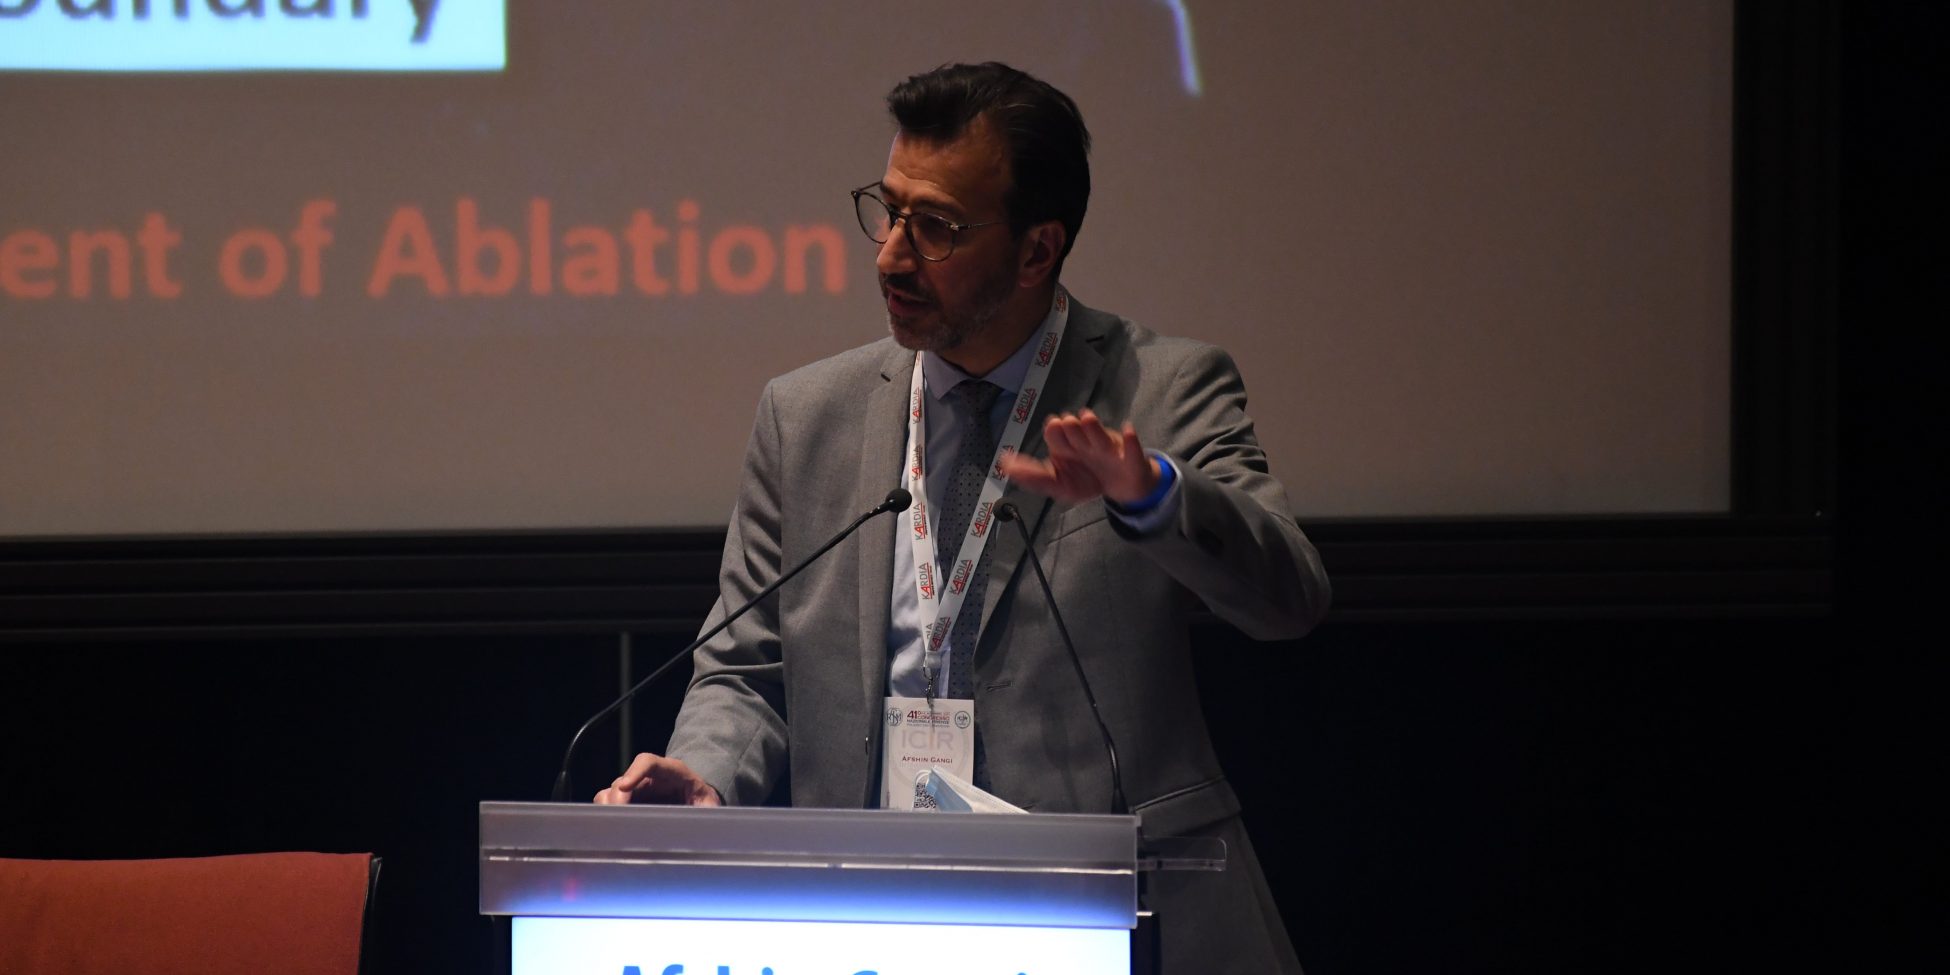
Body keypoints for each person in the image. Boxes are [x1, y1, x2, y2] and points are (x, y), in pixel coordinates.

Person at [597, 61, 1330, 972]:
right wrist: (706, 771)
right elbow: (748, 668)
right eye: (889, 210)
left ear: (1037, 251)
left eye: (937, 227)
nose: (891, 256)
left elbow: (1290, 597)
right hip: (875, 924)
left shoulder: (1162, 389)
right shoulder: (807, 416)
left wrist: (1154, 495)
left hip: (1118, 916)